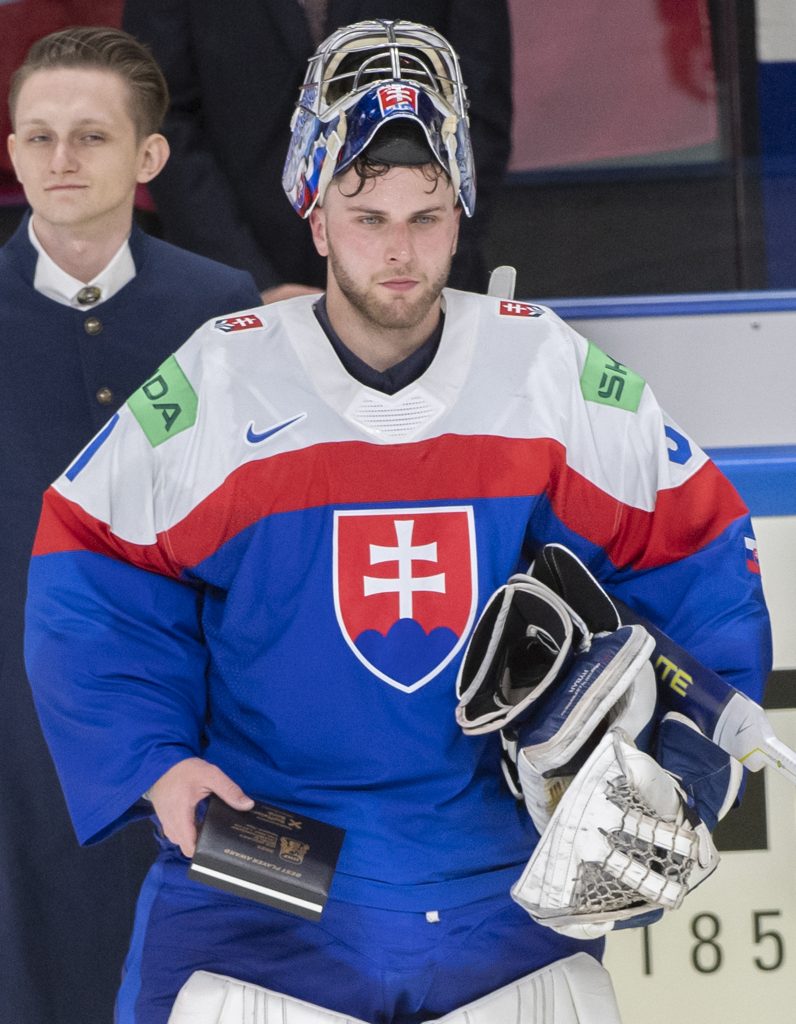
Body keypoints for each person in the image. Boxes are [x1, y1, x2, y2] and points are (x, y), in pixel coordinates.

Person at [24, 19, 771, 1024]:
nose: (399, 250)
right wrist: (152, 763)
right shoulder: (221, 376)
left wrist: (688, 748)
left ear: (461, 213)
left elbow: (693, 545)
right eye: (367, 215)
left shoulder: (544, 373)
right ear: (315, 215)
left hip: (504, 890)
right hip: (266, 885)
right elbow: (88, 562)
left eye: (427, 215)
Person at [2, 25, 261, 1024]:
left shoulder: (218, 311)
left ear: (150, 155)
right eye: (39, 136)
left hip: (190, 718)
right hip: (13, 734)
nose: (60, 158)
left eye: (91, 136)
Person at [120, 0, 512, 300]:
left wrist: (422, 259)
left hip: (417, 287)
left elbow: (477, 115)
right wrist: (247, 281)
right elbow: (161, 116)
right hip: (232, 284)